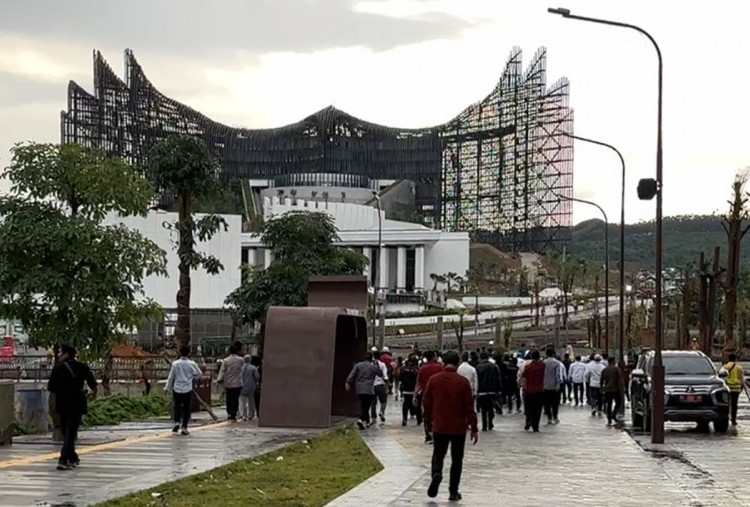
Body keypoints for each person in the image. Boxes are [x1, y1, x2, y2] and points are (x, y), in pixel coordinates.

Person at [422, 350, 478, 501]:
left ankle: (436, 473)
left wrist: (427, 421)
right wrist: (474, 427)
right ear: (458, 362)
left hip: (439, 425)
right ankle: (453, 491)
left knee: (438, 454)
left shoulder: (434, 380)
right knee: (457, 459)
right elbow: (469, 407)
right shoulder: (462, 382)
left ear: (443, 362)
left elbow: (426, 403)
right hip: (458, 427)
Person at [47, 343, 98, 470]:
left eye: (60, 352)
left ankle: (69, 457)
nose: (58, 355)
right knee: (71, 432)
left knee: (67, 432)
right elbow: (93, 384)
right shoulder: (82, 367)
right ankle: (66, 458)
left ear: (66, 354)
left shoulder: (57, 368)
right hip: (77, 403)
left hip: (62, 404)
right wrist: (93, 395)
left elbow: (50, 387)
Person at [165, 345, 202, 435]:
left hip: (177, 388)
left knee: (177, 407)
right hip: (187, 388)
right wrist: (192, 377)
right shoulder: (192, 363)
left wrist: (167, 388)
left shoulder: (175, 364)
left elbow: (171, 377)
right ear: (188, 353)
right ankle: (184, 427)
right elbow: (199, 373)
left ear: (180, 353)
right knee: (186, 408)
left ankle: (177, 422)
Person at [346, 352, 383, 429]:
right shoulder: (372, 366)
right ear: (371, 359)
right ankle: (361, 419)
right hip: (369, 389)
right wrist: (376, 364)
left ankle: (366, 422)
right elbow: (380, 374)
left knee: (363, 404)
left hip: (359, 388)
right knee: (366, 405)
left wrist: (348, 382)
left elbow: (352, 374)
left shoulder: (358, 365)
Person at [416, 350, 444, 443]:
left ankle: (428, 435)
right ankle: (438, 433)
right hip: (439, 395)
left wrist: (415, 395)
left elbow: (418, 384)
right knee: (439, 414)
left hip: (426, 395)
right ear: (433, 357)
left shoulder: (422, 369)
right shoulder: (441, 367)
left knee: (427, 415)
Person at [217, 344, 244, 421]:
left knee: (229, 399)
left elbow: (222, 371)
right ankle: (234, 413)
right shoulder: (241, 360)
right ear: (237, 351)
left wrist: (219, 379)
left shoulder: (226, 360)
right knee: (236, 399)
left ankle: (229, 412)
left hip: (228, 383)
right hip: (238, 382)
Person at [476, 352, 502, 431]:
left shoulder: (477, 367)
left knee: (483, 409)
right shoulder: (494, 366)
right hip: (492, 390)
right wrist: (498, 389)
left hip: (481, 391)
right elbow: (498, 378)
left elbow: (476, 379)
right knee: (491, 408)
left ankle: (484, 426)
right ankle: (490, 422)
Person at [522, 350, 545, 432]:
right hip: (540, 391)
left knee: (529, 408)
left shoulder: (527, 367)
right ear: (539, 357)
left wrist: (524, 389)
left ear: (531, 357)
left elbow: (524, 380)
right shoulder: (542, 366)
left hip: (529, 391)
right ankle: (536, 426)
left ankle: (529, 419)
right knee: (538, 409)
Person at [720, 353, 745, 426]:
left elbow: (721, 376)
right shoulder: (739, 368)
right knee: (734, 405)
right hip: (736, 389)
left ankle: (726, 419)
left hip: (727, 388)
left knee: (726, 404)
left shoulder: (725, 367)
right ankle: (733, 420)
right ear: (735, 359)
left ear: (728, 359)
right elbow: (742, 379)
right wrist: (742, 387)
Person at [600, 357, 625, 426]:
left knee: (609, 404)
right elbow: (620, 379)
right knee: (618, 403)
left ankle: (609, 419)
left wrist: (601, 388)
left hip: (607, 389)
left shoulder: (604, 370)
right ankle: (614, 414)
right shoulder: (616, 369)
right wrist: (622, 389)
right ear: (613, 361)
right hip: (616, 389)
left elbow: (601, 380)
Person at [543, 349, 565, 425]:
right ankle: (555, 417)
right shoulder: (557, 363)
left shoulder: (543, 363)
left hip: (545, 386)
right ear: (554, 354)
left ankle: (549, 417)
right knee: (555, 403)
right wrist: (558, 384)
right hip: (554, 386)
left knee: (547, 403)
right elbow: (558, 374)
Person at [399, 356, 421, 426]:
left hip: (405, 389)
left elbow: (400, 378)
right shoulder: (416, 370)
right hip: (414, 389)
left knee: (405, 403)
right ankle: (418, 419)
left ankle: (404, 419)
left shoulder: (403, 369)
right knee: (416, 404)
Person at [371, 351, 390, 423]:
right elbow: (385, 376)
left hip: (372, 385)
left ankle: (373, 418)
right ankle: (382, 412)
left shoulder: (371, 364)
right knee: (383, 401)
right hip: (380, 385)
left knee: (373, 402)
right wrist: (387, 385)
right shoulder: (382, 365)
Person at [239, 355, 260, 421]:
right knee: (251, 401)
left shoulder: (240, 368)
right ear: (250, 360)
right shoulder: (253, 368)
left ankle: (243, 415)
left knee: (242, 402)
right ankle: (250, 415)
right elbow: (257, 377)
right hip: (251, 386)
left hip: (241, 386)